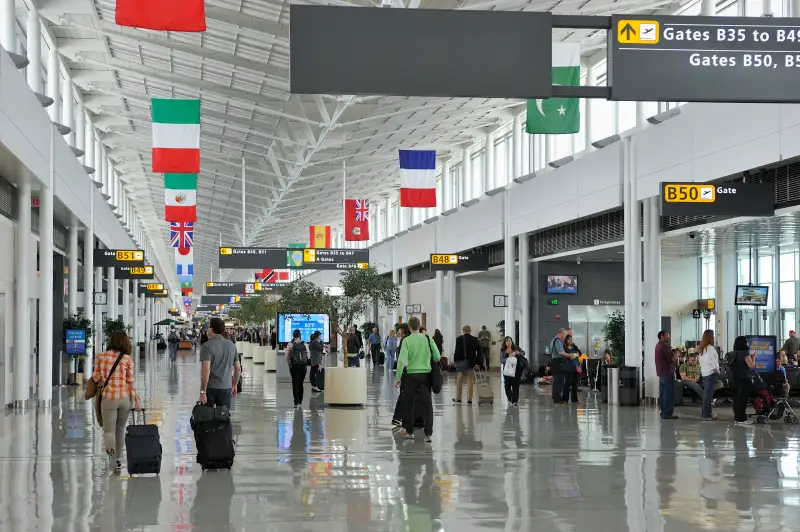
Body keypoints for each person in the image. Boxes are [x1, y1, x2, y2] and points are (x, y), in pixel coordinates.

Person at [92, 331, 141, 472]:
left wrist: (100, 377)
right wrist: (134, 400)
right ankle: (119, 460)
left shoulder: (100, 356)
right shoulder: (127, 359)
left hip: (108, 398)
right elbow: (131, 381)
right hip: (124, 398)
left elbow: (95, 377)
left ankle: (111, 458)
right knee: (120, 429)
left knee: (108, 431)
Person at [394, 317, 440, 442]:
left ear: (409, 327)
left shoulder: (407, 340)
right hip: (426, 376)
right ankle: (428, 433)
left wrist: (398, 378)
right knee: (427, 404)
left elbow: (402, 360)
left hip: (411, 376)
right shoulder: (427, 338)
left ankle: (409, 431)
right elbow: (437, 356)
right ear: (420, 326)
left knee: (409, 403)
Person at [199, 318, 241, 440]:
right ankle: (224, 443)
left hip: (210, 388)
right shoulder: (231, 345)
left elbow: (205, 370)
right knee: (224, 417)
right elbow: (237, 368)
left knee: (208, 418)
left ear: (212, 329)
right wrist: (234, 384)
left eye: (208, 327)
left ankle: (210, 444)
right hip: (226, 388)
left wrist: (202, 392)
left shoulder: (207, 346)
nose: (207, 329)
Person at [452, 325, 481, 404]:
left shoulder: (459, 339)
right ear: (470, 330)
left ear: (463, 330)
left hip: (461, 363)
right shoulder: (475, 339)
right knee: (470, 381)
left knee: (459, 381)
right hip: (471, 364)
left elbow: (456, 351)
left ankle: (459, 398)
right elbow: (479, 352)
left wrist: (455, 361)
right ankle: (469, 399)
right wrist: (477, 362)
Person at [730, 335, 755, 425]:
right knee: (742, 399)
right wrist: (753, 357)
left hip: (734, 379)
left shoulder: (732, 353)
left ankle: (737, 417)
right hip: (744, 379)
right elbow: (751, 366)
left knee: (736, 399)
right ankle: (742, 419)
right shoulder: (744, 354)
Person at [698, 329, 720, 421]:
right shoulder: (710, 348)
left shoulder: (703, 349)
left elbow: (702, 361)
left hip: (705, 373)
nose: (714, 337)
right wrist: (716, 369)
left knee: (707, 395)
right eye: (713, 335)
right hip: (711, 373)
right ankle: (706, 415)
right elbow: (711, 362)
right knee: (708, 395)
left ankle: (706, 413)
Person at [656, 330, 678, 420]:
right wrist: (676, 353)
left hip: (661, 373)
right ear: (662, 336)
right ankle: (667, 413)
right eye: (667, 335)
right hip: (668, 373)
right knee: (668, 394)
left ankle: (663, 412)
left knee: (663, 393)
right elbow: (673, 359)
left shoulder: (658, 345)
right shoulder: (664, 346)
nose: (668, 337)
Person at [285, 329, 309, 408]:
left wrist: (289, 364)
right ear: (300, 335)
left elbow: (287, 356)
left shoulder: (290, 344)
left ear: (293, 336)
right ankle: (300, 401)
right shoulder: (304, 343)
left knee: (295, 383)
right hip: (303, 366)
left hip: (294, 366)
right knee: (301, 383)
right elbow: (308, 354)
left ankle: (296, 402)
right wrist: (305, 362)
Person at [550, 328, 572, 406]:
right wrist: (570, 355)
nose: (565, 337)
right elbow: (561, 352)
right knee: (559, 381)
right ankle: (557, 399)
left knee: (556, 381)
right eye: (565, 335)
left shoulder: (554, 340)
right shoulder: (558, 340)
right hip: (558, 363)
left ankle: (555, 397)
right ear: (561, 333)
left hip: (555, 363)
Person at [500, 336, 524, 406]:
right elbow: (501, 360)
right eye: (507, 341)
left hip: (517, 369)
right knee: (507, 385)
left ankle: (515, 401)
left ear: (511, 341)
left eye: (509, 341)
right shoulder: (503, 350)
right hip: (507, 370)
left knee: (515, 385)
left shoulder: (516, 348)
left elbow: (523, 353)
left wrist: (517, 353)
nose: (508, 342)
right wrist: (508, 357)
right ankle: (510, 398)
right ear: (505, 343)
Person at [562, 334, 581, 404]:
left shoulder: (574, 347)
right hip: (568, 366)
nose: (570, 340)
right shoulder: (564, 347)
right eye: (569, 339)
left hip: (576, 366)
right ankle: (565, 399)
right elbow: (563, 356)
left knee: (575, 384)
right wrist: (569, 356)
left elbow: (580, 353)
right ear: (566, 340)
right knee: (567, 383)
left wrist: (576, 354)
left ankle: (574, 399)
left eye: (571, 339)